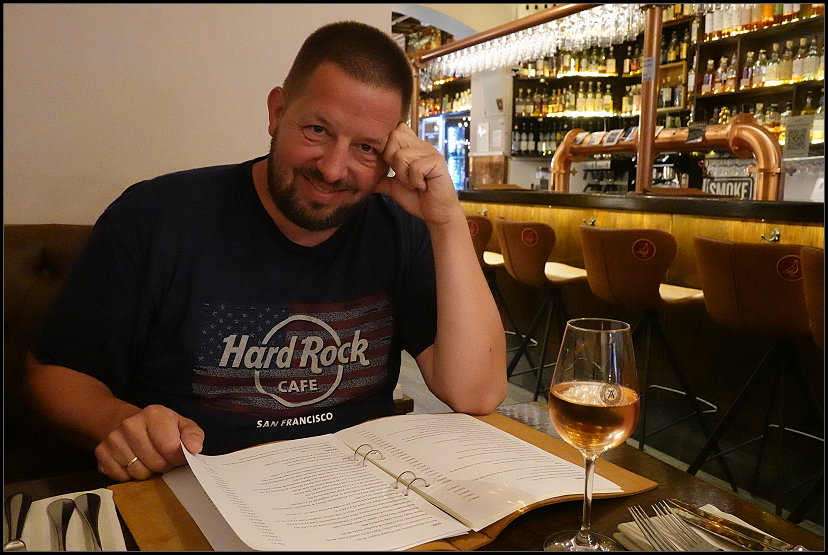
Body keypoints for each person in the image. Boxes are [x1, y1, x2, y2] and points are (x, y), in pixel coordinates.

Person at [25, 20, 507, 482]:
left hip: (359, 497)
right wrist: (120, 423)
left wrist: (446, 221)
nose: (333, 169)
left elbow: (477, 393)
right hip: (195, 490)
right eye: (317, 130)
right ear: (278, 112)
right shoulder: (155, 217)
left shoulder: (399, 229)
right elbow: (53, 374)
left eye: (366, 148)